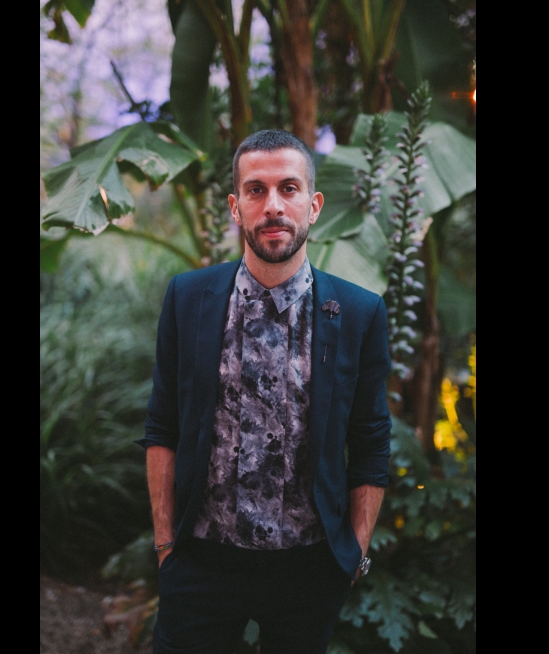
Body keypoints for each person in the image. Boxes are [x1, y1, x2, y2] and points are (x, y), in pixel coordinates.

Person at [137, 129, 391, 654]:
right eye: (256, 190)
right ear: (236, 207)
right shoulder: (188, 298)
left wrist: (353, 555)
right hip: (201, 563)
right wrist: (165, 544)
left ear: (313, 205)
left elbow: (370, 443)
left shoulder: (359, 313)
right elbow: (162, 426)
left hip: (308, 571)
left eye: (288, 188)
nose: (273, 205)